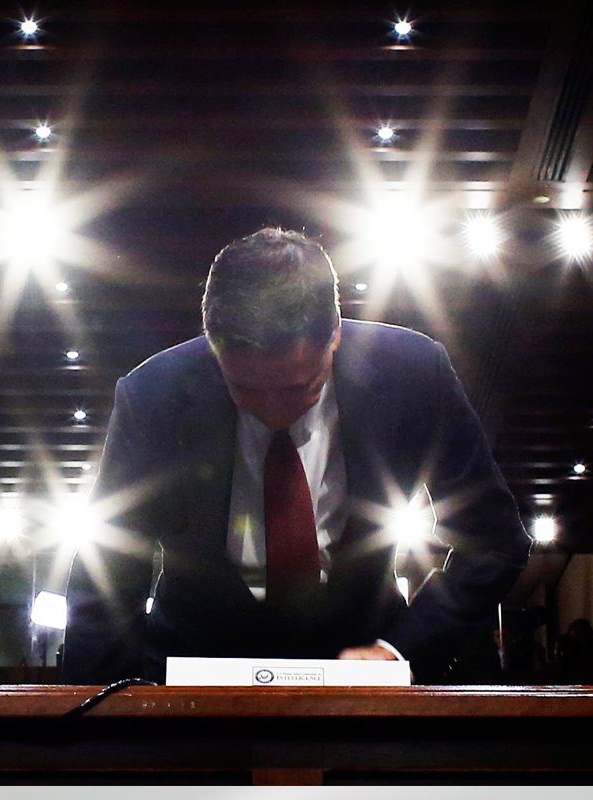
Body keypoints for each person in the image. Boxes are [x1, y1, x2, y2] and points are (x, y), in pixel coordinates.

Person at [63, 228, 531, 684]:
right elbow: (106, 575)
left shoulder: (414, 375)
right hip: (194, 673)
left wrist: (402, 650)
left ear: (335, 335)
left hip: (361, 674)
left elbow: (494, 543)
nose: (272, 413)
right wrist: (92, 714)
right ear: (213, 345)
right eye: (245, 390)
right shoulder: (152, 398)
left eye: (298, 389)